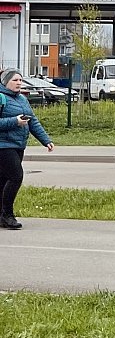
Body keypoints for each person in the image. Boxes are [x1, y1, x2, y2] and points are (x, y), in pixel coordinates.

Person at [0, 69, 55, 229]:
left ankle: (2, 216)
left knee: (3, 180)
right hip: (3, 146)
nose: (19, 83)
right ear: (5, 82)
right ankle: (8, 215)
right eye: (15, 80)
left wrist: (45, 140)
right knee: (16, 177)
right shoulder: (1, 97)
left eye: (20, 80)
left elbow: (33, 121)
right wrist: (14, 121)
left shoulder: (22, 99)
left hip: (18, 145)